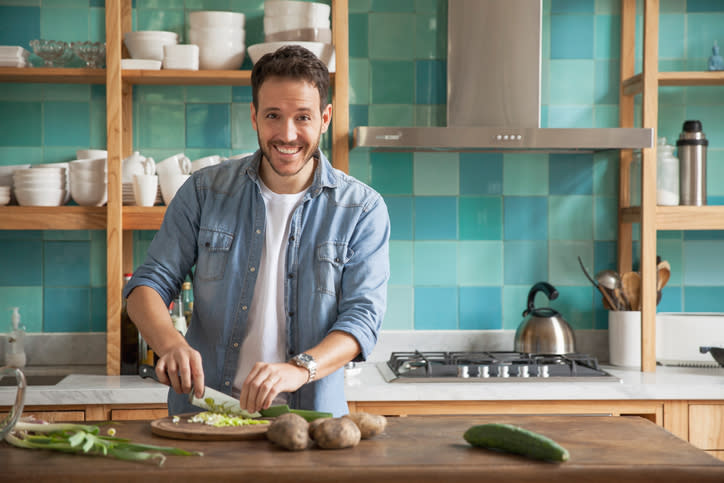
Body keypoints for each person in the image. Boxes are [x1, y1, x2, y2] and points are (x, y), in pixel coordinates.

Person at [124, 45, 390, 417]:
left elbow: (361, 319)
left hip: (309, 425)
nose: (287, 134)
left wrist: (301, 368)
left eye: (303, 117)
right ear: (253, 116)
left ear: (325, 118)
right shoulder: (204, 192)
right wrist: (170, 345)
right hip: (207, 415)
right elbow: (146, 286)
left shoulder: (362, 209)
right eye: (273, 116)